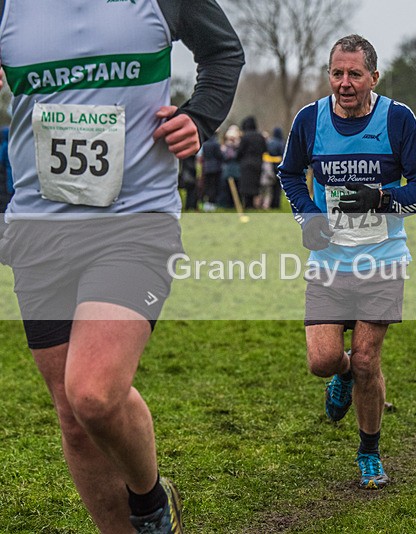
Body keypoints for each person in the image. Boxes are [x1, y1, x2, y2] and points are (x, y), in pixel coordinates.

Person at [0, 2, 244, 533]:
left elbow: (224, 52)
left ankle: (150, 504)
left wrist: (198, 116)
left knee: (92, 391)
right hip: (39, 229)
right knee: (74, 417)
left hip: (135, 221)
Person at [278, 34, 416, 490]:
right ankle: (342, 375)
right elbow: (289, 173)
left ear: (374, 76)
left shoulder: (397, 119)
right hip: (329, 262)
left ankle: (369, 451)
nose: (344, 83)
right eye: (337, 73)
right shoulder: (310, 120)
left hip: (382, 260)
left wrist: (383, 198)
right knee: (323, 360)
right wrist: (307, 216)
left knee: (369, 361)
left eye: (354, 74)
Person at [237, 116, 268, 209]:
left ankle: (247, 204)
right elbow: (265, 149)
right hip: (258, 162)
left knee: (246, 184)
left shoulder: (245, 137)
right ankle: (254, 204)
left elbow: (240, 151)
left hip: (246, 163)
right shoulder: (260, 136)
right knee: (255, 184)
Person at [200, 132, 224, 211]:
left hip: (206, 167)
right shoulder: (216, 144)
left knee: (208, 186)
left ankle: (207, 203)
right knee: (214, 186)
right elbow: (220, 155)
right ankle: (212, 203)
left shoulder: (205, 144)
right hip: (215, 167)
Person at [264, 126, 285, 209]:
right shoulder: (281, 143)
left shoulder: (270, 142)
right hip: (278, 167)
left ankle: (269, 202)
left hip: (269, 166)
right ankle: (276, 204)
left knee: (270, 186)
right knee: (277, 187)